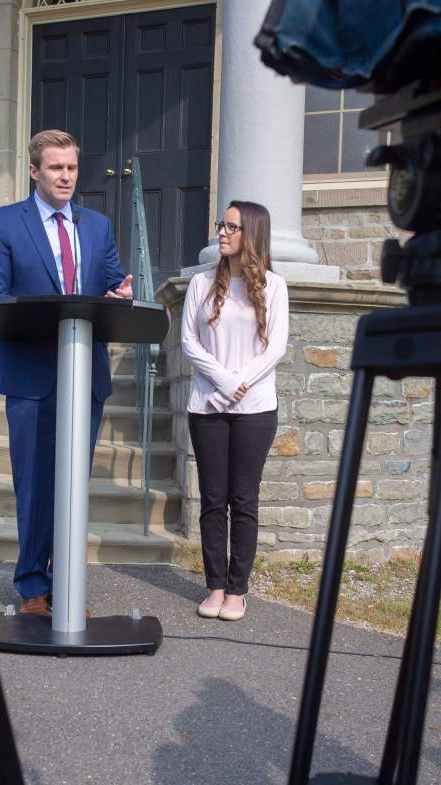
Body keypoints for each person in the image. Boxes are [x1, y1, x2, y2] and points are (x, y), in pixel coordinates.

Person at [0, 129, 133, 616]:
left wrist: (120, 297)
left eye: (71, 168)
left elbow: (112, 285)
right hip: (30, 377)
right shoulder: (3, 224)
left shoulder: (97, 226)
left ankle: (66, 586)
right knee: (36, 487)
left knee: (72, 486)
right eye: (56, 168)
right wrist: (48, 313)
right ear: (34, 171)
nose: (66, 176)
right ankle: (32, 589)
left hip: (84, 377)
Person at [181, 200, 288, 621]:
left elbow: (275, 348)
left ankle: (238, 591)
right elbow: (190, 342)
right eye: (220, 225)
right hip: (207, 406)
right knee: (212, 499)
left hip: (256, 409)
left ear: (252, 234)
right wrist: (225, 383)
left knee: (243, 499)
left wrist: (239, 384)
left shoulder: (275, 287)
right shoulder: (200, 284)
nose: (221, 232)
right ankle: (215, 585)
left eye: (230, 226)